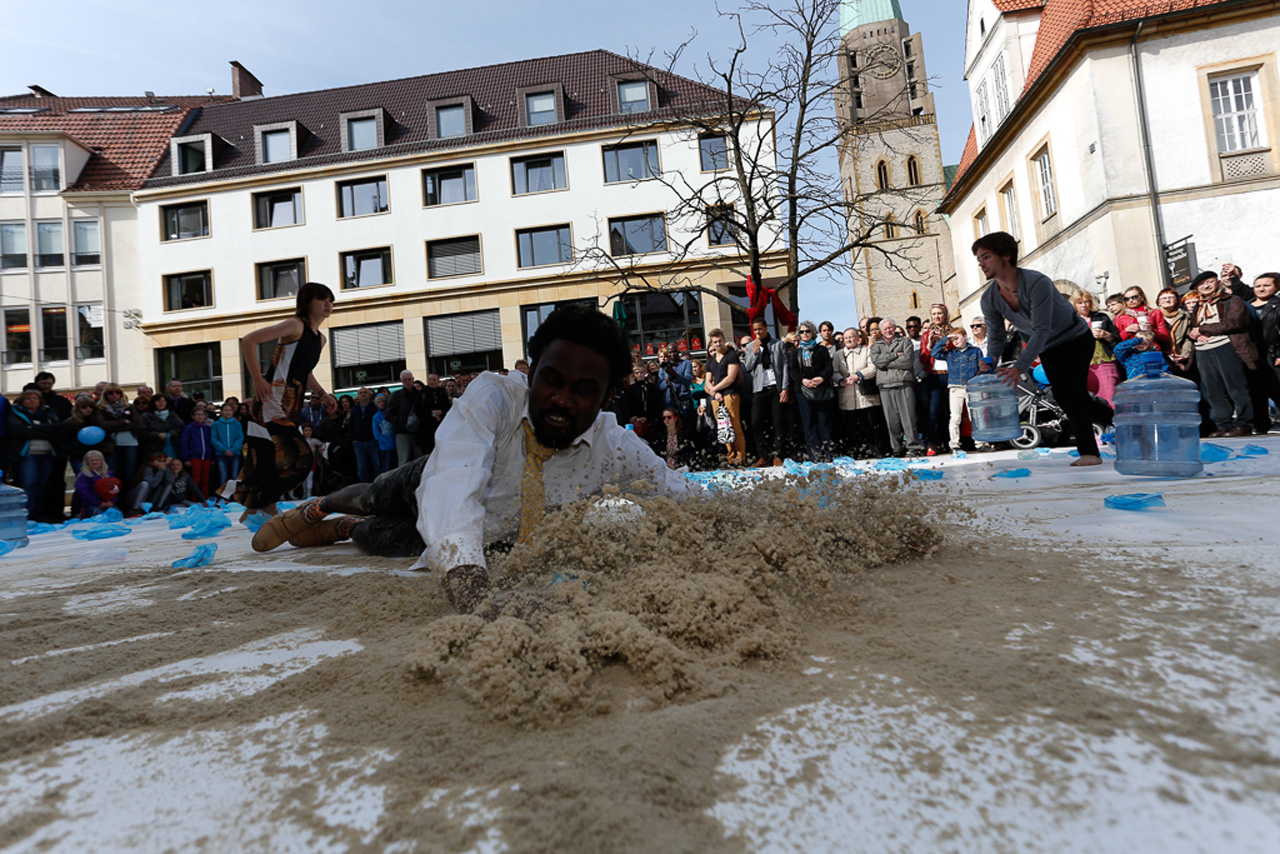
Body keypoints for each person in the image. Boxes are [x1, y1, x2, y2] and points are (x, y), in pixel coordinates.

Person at [250, 304, 702, 619]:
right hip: (434, 485)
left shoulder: (617, 447)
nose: (562, 400)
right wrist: (475, 596)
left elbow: (686, 498)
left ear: (606, 398)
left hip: (489, 535)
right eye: (552, 380)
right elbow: (453, 478)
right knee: (375, 495)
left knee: (380, 538)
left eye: (584, 391)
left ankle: (343, 529)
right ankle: (321, 506)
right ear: (531, 372)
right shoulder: (494, 396)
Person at [974, 231, 1102, 466]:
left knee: (1069, 394)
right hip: (1049, 347)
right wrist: (990, 360)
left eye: (986, 257)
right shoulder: (989, 298)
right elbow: (997, 335)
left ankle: (1090, 452)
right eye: (979, 259)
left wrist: (1019, 367)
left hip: (1075, 339)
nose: (981, 263)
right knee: (1069, 395)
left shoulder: (1036, 283)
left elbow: (1041, 329)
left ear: (1006, 255)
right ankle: (1115, 417)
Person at [237, 282, 335, 518]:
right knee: (301, 457)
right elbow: (249, 340)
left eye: (330, 300)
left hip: (290, 404)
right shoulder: (294, 325)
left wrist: (322, 393)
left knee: (272, 460)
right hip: (270, 399)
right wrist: (257, 379)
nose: (328, 304)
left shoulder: (321, 339)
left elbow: (305, 372)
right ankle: (260, 505)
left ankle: (258, 508)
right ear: (307, 302)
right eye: (322, 299)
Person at [1188, 271, 1257, 438]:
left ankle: (1243, 424)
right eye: (1201, 284)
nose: (1206, 286)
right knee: (1213, 390)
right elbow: (1195, 328)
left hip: (1226, 346)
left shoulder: (1231, 300)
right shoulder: (1198, 305)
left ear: (1218, 282)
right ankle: (1224, 425)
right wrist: (1196, 334)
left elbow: (1235, 322)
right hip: (1203, 350)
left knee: (1236, 387)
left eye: (1210, 282)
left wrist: (1203, 329)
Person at [869, 319, 925, 457]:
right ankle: (897, 448)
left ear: (894, 328)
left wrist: (886, 362)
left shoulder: (905, 342)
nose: (888, 330)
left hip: (903, 383)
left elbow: (907, 361)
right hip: (885, 385)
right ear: (881, 331)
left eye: (890, 327)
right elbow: (877, 362)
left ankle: (913, 447)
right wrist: (894, 355)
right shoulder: (876, 345)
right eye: (885, 329)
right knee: (891, 420)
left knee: (909, 418)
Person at [931, 326, 988, 455]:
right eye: (953, 340)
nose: (955, 341)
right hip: (955, 387)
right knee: (955, 417)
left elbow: (981, 368)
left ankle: (980, 442)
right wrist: (945, 339)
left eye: (957, 338)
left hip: (972, 386)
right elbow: (934, 353)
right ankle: (954, 444)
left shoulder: (975, 351)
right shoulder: (950, 353)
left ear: (965, 337)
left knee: (975, 416)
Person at [741, 317, 790, 467]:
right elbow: (748, 367)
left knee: (778, 422)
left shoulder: (778, 344)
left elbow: (785, 367)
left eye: (760, 329)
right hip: (759, 388)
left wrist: (785, 388)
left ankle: (778, 454)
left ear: (766, 328)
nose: (757, 332)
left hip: (776, 387)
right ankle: (763, 455)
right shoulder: (751, 346)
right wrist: (755, 352)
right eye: (755, 330)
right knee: (756, 422)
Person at [6, 387, 61, 520]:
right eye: (28, 398)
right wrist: (45, 431)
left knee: (42, 485)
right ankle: (27, 514)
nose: (31, 401)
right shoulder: (15, 413)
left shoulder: (48, 413)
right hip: (28, 455)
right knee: (29, 485)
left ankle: (38, 514)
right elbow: (19, 431)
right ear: (22, 401)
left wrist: (34, 428)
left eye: (35, 398)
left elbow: (56, 429)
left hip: (47, 454)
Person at [833, 327, 885, 459]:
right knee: (851, 428)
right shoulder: (839, 354)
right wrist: (841, 380)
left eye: (851, 337)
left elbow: (873, 368)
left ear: (857, 338)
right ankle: (856, 452)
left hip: (866, 397)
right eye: (846, 338)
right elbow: (834, 372)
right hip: (847, 396)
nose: (848, 340)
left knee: (870, 425)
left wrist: (858, 375)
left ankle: (875, 451)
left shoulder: (866, 351)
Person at [792, 320, 835, 461]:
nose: (805, 334)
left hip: (821, 389)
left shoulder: (821, 349)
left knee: (824, 422)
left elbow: (828, 368)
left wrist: (821, 378)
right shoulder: (796, 352)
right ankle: (814, 454)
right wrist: (803, 380)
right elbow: (793, 371)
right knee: (809, 423)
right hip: (803, 391)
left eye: (807, 331)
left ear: (813, 333)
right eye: (802, 332)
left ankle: (829, 452)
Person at [1071, 290, 1121, 406]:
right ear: (1074, 305)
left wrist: (1105, 335)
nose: (1084, 305)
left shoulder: (1101, 317)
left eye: (1086, 302)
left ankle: (1113, 416)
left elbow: (1116, 340)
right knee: (1089, 399)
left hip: (1104, 360)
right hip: (1082, 364)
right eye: (1079, 302)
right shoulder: (1071, 321)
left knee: (1110, 395)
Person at [705, 328, 746, 466]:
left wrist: (714, 389)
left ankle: (740, 457)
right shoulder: (710, 362)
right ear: (712, 343)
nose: (718, 344)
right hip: (716, 398)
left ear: (724, 340)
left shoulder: (731, 356)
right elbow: (707, 381)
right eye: (715, 342)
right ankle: (731, 456)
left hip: (730, 394)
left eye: (720, 341)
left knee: (735, 426)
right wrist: (714, 393)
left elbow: (731, 377)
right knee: (724, 428)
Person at [1250, 272, 1280, 433]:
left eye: (1266, 285)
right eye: (1258, 286)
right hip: (1252, 354)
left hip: (1273, 352)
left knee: (1276, 387)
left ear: (1276, 287)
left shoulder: (1278, 305)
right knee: (1256, 390)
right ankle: (1261, 424)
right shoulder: (1246, 305)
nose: (1261, 289)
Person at [1114, 286, 1171, 352]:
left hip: (1152, 350)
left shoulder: (1155, 313)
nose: (1130, 300)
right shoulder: (1119, 317)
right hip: (1131, 352)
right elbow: (1117, 340)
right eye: (1127, 299)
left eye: (1134, 297)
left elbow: (1164, 337)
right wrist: (1127, 331)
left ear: (1142, 297)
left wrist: (1152, 329)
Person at [387, 370, 422, 464]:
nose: (407, 382)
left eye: (409, 379)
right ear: (401, 381)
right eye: (405, 380)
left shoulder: (420, 394)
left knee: (420, 459)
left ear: (413, 379)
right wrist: (401, 421)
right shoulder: (396, 395)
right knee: (403, 460)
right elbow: (388, 414)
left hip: (419, 432)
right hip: (402, 432)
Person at [73, 450, 120, 518]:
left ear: (102, 461)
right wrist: (99, 503)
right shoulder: (83, 476)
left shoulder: (109, 474)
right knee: (101, 516)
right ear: (86, 462)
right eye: (91, 460)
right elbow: (83, 492)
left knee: (117, 515)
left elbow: (115, 489)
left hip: (108, 503)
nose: (94, 462)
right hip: (91, 505)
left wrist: (111, 501)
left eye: (97, 460)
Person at [179, 405, 214, 496]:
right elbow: (184, 443)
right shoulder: (189, 428)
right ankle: (195, 497)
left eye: (202, 414)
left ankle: (205, 497)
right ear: (192, 416)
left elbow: (211, 443)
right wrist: (186, 458)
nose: (200, 417)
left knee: (205, 478)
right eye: (197, 415)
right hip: (195, 456)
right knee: (196, 478)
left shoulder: (208, 428)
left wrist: (212, 457)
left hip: (207, 456)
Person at [211, 401, 245, 489]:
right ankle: (222, 494)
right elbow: (214, 439)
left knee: (234, 475)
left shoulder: (237, 424)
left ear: (233, 412)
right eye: (225, 410)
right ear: (221, 412)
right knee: (223, 475)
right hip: (221, 454)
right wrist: (225, 450)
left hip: (235, 453)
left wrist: (233, 449)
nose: (228, 412)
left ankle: (233, 493)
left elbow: (240, 438)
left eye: (230, 410)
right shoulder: (216, 424)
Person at [372, 393, 396, 475]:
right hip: (384, 446)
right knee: (386, 467)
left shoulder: (391, 413)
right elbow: (376, 432)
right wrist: (383, 440)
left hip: (395, 444)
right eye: (379, 402)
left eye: (382, 401)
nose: (381, 404)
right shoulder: (376, 417)